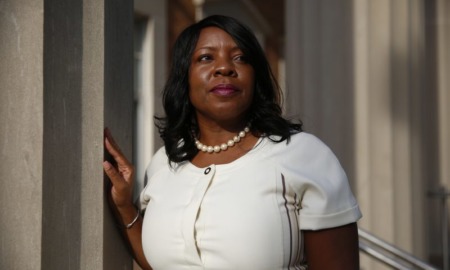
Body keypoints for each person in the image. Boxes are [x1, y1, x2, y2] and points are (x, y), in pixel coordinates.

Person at [103, 15, 362, 270]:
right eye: (206, 58)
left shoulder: (304, 155)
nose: (225, 67)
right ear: (185, 77)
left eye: (240, 58)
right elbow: (159, 263)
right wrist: (125, 205)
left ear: (255, 77)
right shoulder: (164, 163)